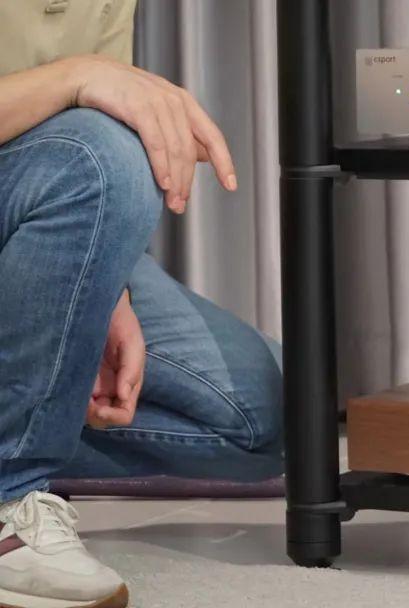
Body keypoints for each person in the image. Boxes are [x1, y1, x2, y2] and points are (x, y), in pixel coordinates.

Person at [0, 2, 283, 606]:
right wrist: (76, 75)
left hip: (44, 211)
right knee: (99, 155)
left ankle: (29, 418)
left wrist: (103, 284)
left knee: (264, 413)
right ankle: (8, 497)